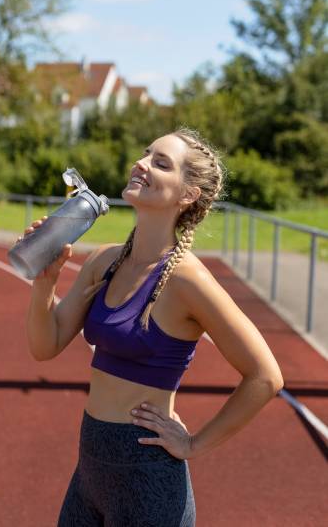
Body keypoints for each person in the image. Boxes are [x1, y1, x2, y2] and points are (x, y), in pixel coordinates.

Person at [19, 126, 284, 527]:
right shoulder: (103, 261)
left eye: (160, 163)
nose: (141, 164)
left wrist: (193, 444)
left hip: (148, 477)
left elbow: (265, 377)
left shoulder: (188, 280)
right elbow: (46, 345)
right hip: (90, 467)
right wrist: (45, 282)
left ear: (187, 194)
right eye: (145, 154)